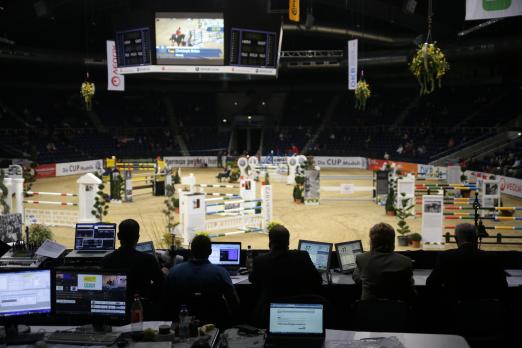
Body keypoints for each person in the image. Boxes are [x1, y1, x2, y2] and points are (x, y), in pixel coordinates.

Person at [249, 225, 322, 326]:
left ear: (270, 243)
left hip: (270, 316)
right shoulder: (303, 256)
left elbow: (253, 281)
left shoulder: (260, 261)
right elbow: (318, 281)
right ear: (288, 243)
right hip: (301, 314)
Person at [165, 234, 239, 327]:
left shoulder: (174, 271)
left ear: (191, 251)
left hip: (182, 324)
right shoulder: (221, 273)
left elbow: (166, 299)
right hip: (214, 322)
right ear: (210, 252)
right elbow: (234, 302)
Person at [426, 223, 507, 300]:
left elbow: (431, 283)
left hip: (454, 309)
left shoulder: (445, 257)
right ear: (476, 238)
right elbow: (503, 286)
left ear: (456, 239)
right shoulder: (492, 258)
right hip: (485, 310)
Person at [102, 219, 165, 310]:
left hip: (115, 309)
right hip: (141, 309)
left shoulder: (106, 260)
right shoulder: (148, 260)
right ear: (138, 237)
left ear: (118, 236)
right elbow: (160, 284)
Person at [353, 223, 415, 302]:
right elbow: (411, 293)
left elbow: (357, 278)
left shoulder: (361, 259)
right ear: (392, 241)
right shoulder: (406, 262)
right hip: (396, 312)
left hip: (369, 312)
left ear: (372, 241)